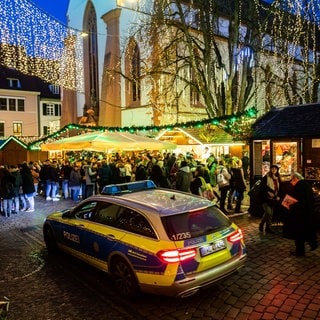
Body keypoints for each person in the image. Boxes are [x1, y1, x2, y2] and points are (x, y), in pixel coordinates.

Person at [282, 172, 318, 256]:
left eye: (291, 180)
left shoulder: (298, 186)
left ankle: (300, 251)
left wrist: (287, 203)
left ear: (296, 179)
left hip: (299, 214)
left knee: (298, 233)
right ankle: (312, 243)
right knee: (306, 231)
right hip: (307, 213)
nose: (291, 182)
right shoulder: (306, 185)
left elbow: (295, 199)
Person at [259, 164, 281, 234]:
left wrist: (277, 195)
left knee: (270, 214)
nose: (274, 170)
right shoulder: (266, 177)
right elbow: (262, 187)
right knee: (268, 212)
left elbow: (278, 189)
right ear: (270, 169)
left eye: (275, 169)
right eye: (273, 169)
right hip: (265, 198)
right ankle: (263, 225)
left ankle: (266, 227)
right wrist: (268, 192)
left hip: (273, 199)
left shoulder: (277, 178)